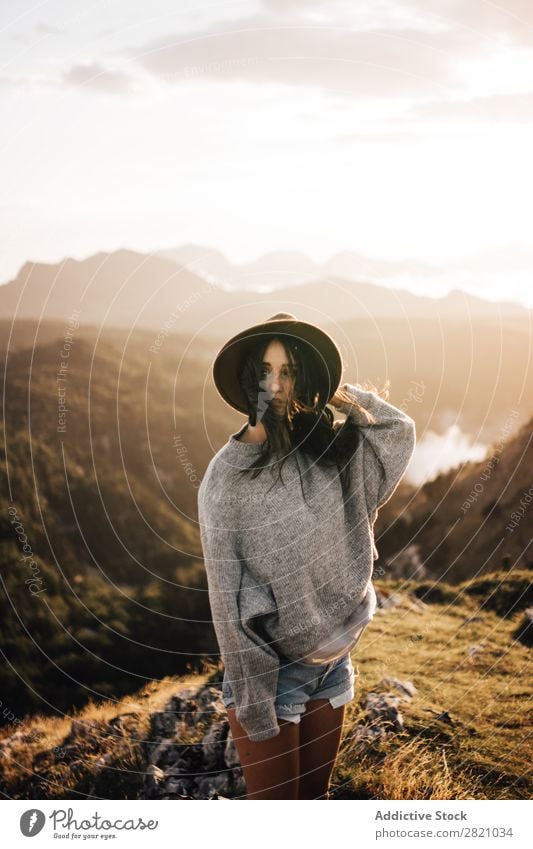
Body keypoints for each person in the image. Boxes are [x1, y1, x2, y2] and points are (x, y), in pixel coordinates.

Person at [197, 312, 416, 799]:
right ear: (247, 378)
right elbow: (227, 607)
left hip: (334, 665)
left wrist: (334, 390)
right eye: (265, 371)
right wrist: (255, 705)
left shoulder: (323, 448)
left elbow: (397, 430)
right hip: (273, 679)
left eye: (290, 371)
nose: (275, 385)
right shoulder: (226, 481)